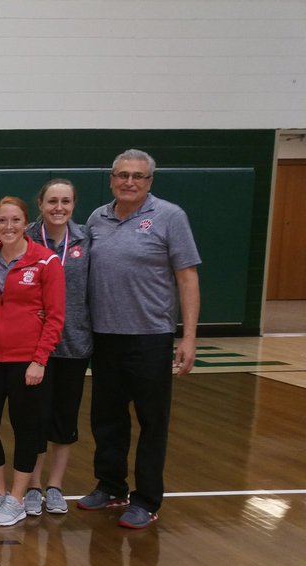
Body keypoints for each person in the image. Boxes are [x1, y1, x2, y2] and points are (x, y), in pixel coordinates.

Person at [81, 149, 200, 529]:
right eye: (122, 175)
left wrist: (189, 336)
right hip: (104, 336)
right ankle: (111, 485)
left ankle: (146, 499)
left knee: (151, 421)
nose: (129, 182)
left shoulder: (170, 217)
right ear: (112, 178)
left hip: (151, 336)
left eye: (138, 176)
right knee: (106, 418)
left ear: (150, 181)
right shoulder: (96, 218)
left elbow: (187, 278)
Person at [0, 197, 66, 527]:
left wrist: (39, 360)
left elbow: (55, 317)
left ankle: (17, 497)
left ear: (25, 223)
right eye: (2, 221)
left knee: (26, 429)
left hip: (28, 360)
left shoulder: (46, 262)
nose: (8, 226)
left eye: (15, 220)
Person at [23, 179, 91, 516]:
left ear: (74, 204)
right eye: (52, 201)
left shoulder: (87, 240)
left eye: (65, 200)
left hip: (74, 343)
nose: (58, 207)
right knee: (35, 418)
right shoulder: (25, 239)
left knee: (65, 420)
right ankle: (33, 485)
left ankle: (55, 486)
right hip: (33, 346)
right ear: (41, 203)